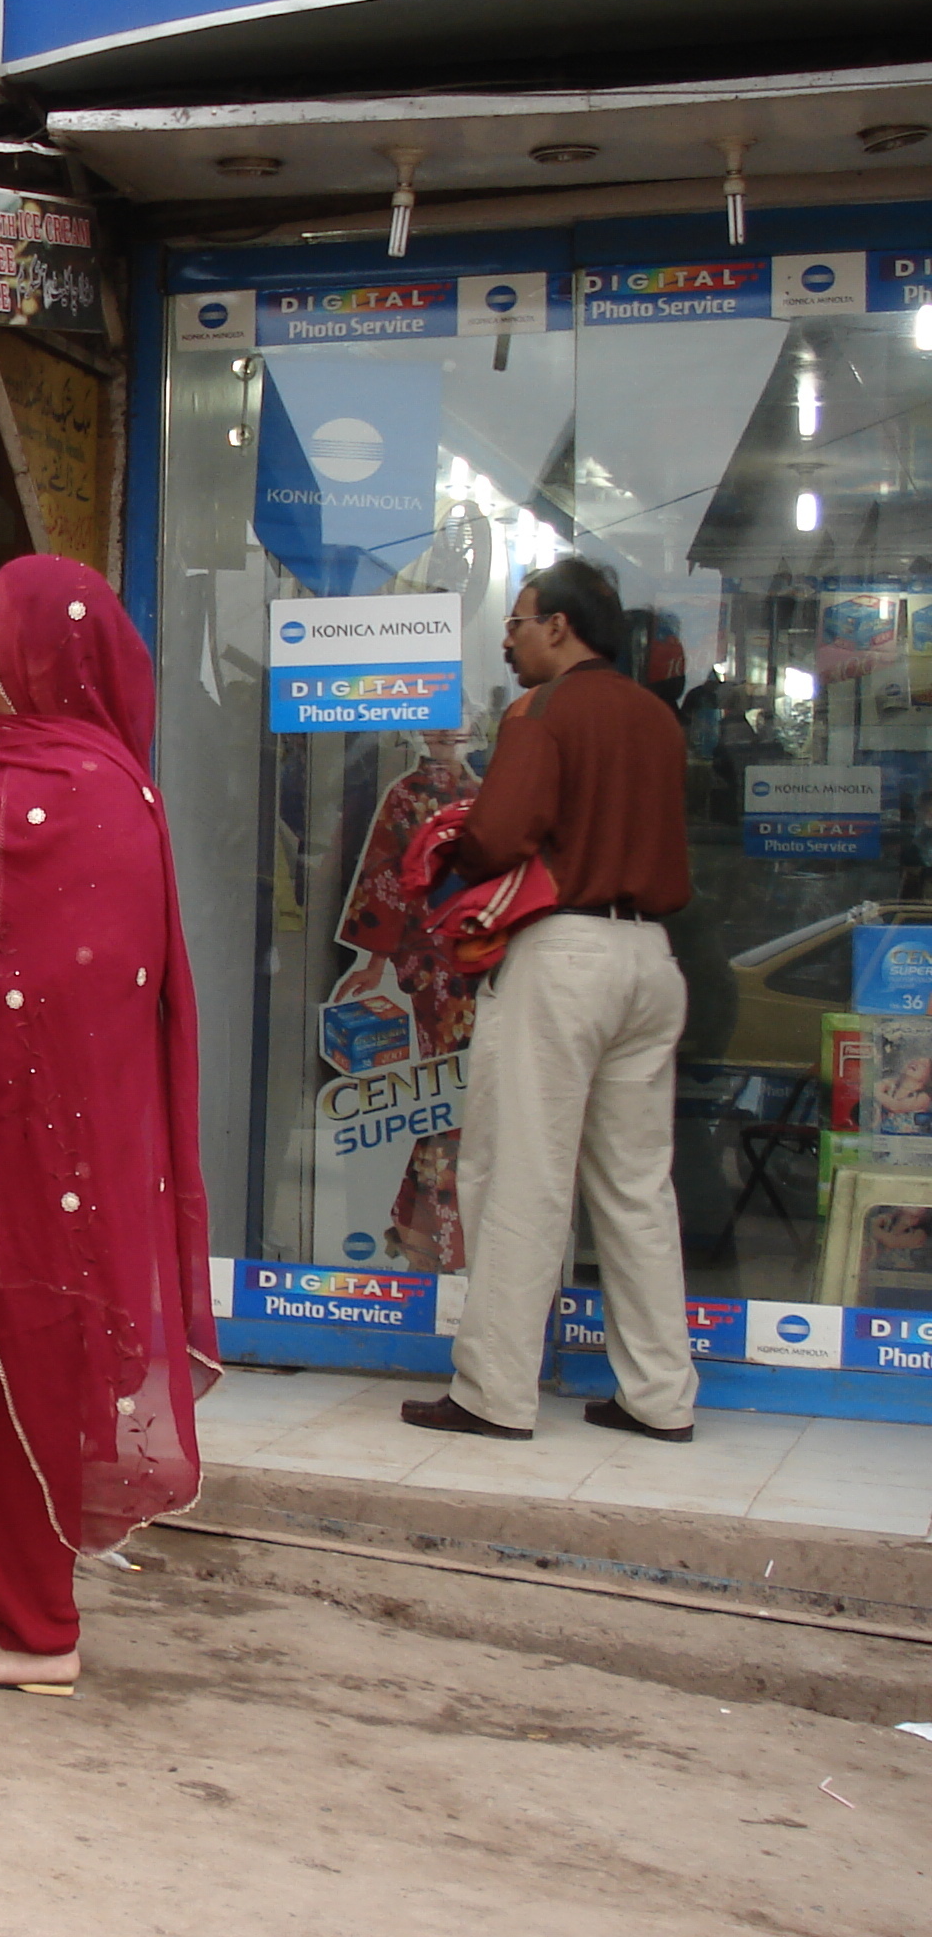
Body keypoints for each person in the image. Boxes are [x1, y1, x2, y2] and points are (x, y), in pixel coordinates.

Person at [0, 556, 217, 1695]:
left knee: (15, 1361)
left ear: (42, 649)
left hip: (29, 1151)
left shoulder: (69, 793)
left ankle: (36, 1631)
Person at [405, 557, 696, 1445]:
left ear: (562, 629)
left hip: (564, 953)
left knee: (520, 1175)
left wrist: (452, 843)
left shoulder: (543, 709)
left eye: (520, 621)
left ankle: (494, 1392)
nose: (508, 636)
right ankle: (660, 1397)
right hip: (650, 956)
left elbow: (500, 834)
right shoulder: (656, 719)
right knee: (638, 1188)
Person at [330, 724, 482, 1271]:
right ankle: (438, 1235)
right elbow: (385, 876)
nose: (449, 735)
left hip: (490, 959)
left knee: (466, 1094)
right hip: (437, 966)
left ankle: (422, 1226)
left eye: (459, 726)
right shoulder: (407, 793)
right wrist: (371, 961)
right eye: (440, 725)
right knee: (456, 1093)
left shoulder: (488, 788)